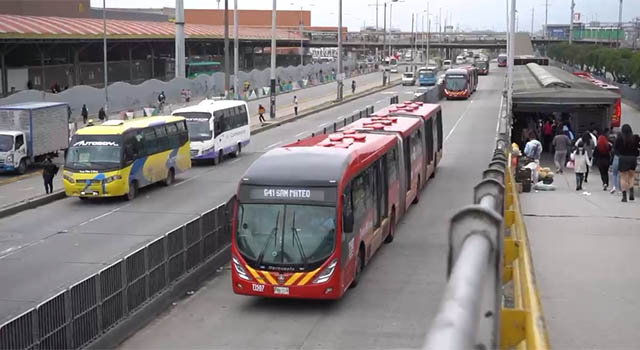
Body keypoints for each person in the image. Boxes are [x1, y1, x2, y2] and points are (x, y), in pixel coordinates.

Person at [615, 124, 639, 202]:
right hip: (633, 158)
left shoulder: (620, 138)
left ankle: (624, 196)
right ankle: (631, 191)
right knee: (631, 176)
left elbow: (615, 149)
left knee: (623, 177)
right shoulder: (635, 138)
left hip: (623, 158)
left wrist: (619, 155)